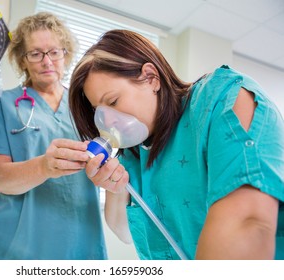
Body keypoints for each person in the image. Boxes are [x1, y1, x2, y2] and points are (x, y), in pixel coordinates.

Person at [68, 29, 284, 260]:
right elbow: (124, 232)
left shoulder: (223, 100)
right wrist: (116, 189)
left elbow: (247, 224)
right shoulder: (134, 154)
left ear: (151, 78)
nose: (107, 121)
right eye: (98, 111)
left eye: (113, 101)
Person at [0, 12, 107, 260]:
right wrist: (44, 167)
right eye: (36, 54)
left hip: (79, 237)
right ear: (22, 60)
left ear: (66, 54)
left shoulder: (88, 106)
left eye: (54, 52)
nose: (47, 61)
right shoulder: (3, 104)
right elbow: (0, 179)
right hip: (17, 242)